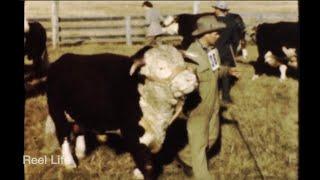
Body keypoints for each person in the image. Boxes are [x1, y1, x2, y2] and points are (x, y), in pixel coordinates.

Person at [177, 15, 240, 179]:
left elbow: (215, 71)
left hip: (213, 102)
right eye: (215, 33)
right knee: (200, 143)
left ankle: (185, 157)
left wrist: (227, 71)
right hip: (198, 105)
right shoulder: (191, 55)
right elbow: (185, 83)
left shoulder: (213, 51)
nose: (219, 36)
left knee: (213, 136)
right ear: (205, 33)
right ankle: (202, 175)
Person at [213, 1, 245, 104]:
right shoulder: (232, 23)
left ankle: (213, 95)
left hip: (212, 52)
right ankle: (226, 97)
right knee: (226, 74)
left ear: (218, 10)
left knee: (213, 73)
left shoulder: (212, 21)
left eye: (215, 9)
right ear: (225, 10)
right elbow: (236, 40)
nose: (214, 10)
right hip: (226, 52)